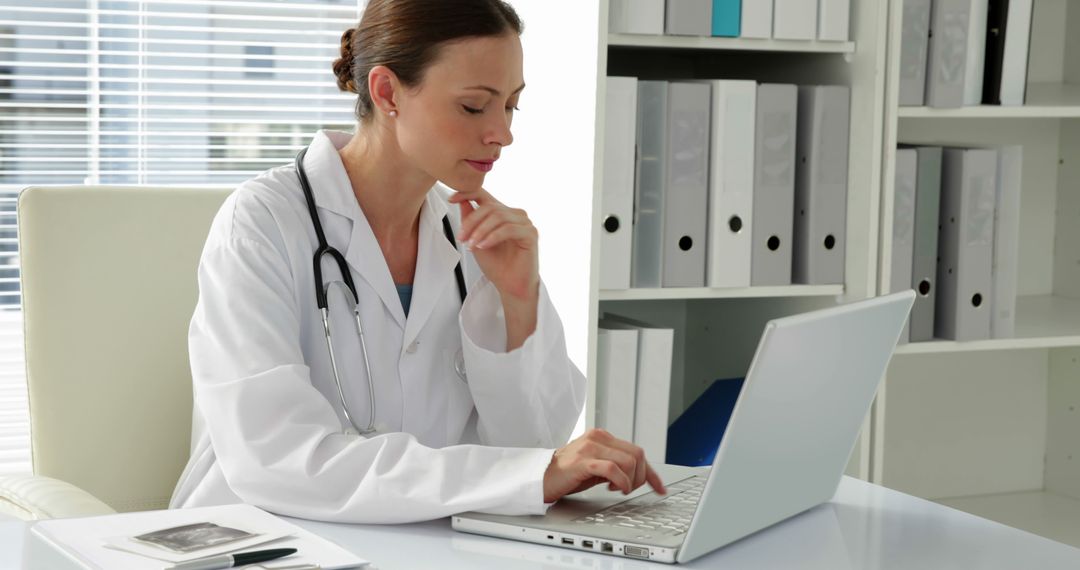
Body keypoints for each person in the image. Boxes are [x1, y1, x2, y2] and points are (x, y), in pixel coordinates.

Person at [170, 0, 664, 524]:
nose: (503, 133)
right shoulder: (263, 223)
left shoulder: (474, 239)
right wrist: (527, 475)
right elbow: (274, 458)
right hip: (259, 537)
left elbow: (531, 452)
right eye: (475, 106)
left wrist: (518, 304)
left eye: (511, 106)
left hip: (420, 541)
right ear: (387, 93)